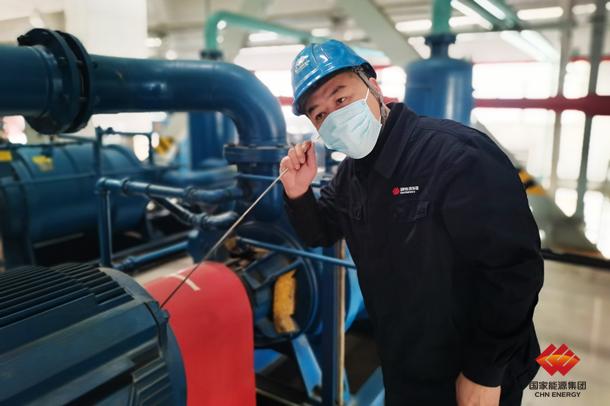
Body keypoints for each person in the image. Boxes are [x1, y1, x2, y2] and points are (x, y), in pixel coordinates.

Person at [279, 40, 544, 406]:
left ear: (374, 87)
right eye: (320, 115)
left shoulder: (456, 155)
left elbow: (513, 270)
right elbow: (319, 232)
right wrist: (298, 194)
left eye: (341, 99)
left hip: (471, 370)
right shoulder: (350, 175)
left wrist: (484, 371)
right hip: (404, 362)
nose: (334, 117)